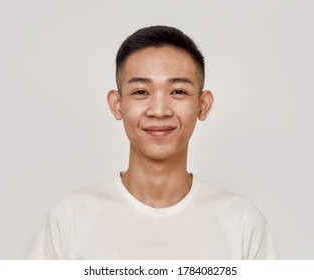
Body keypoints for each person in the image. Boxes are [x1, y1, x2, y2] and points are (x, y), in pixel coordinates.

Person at [29, 25, 278, 259]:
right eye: (141, 92)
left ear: (203, 105)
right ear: (117, 104)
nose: (159, 111)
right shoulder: (71, 219)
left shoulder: (242, 223)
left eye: (178, 91)